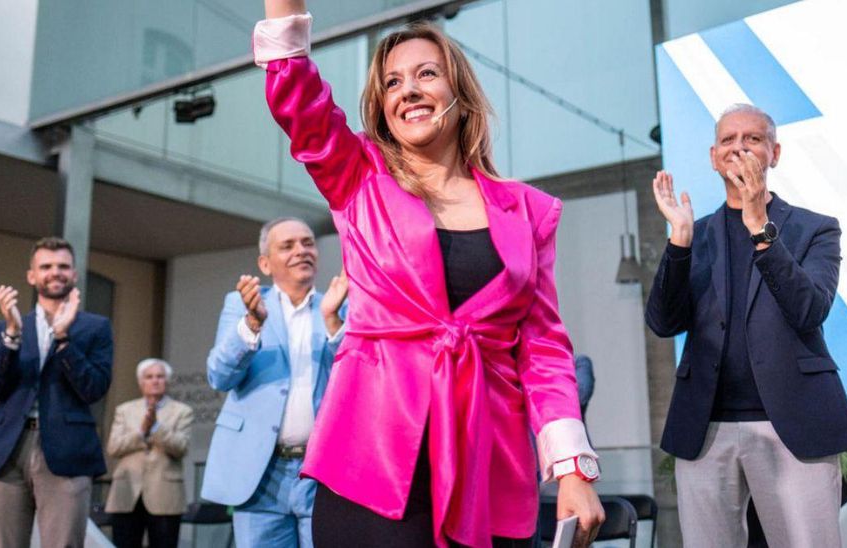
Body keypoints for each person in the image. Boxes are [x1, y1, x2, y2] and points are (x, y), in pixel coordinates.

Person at [254, 1, 605, 546]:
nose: (408, 90)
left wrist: (573, 470)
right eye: (392, 83)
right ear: (382, 106)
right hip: (370, 465)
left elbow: (543, 351)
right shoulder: (358, 177)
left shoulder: (529, 211)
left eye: (426, 74)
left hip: (486, 464)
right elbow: (297, 96)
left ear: (459, 95)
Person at [646, 104, 847, 547]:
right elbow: (664, 323)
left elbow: (809, 310)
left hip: (793, 422)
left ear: (774, 153)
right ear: (712, 156)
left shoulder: (815, 228)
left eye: (753, 139)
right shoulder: (695, 232)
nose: (739, 146)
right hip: (704, 427)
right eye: (728, 139)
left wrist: (761, 227)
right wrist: (679, 244)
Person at [200, 217, 346, 547]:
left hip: (322, 473)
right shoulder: (241, 305)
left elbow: (360, 386)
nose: (301, 251)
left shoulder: (338, 306)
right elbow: (219, 376)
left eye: (308, 243)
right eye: (288, 245)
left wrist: (334, 323)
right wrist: (253, 324)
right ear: (265, 263)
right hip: (260, 474)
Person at [0, 237, 114, 548]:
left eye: (62, 266)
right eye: (45, 266)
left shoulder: (94, 327)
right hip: (5, 451)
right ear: (32, 276)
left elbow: (94, 389)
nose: (54, 272)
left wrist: (63, 338)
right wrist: (12, 337)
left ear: (74, 275)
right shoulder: (10, 325)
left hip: (67, 449)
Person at [106, 358, 194, 548]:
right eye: (149, 377)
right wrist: (141, 432)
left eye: (160, 376)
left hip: (164, 494)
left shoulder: (182, 411)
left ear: (167, 381)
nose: (155, 381)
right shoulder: (125, 410)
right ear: (140, 382)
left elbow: (181, 447)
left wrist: (155, 428)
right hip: (127, 493)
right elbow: (114, 447)